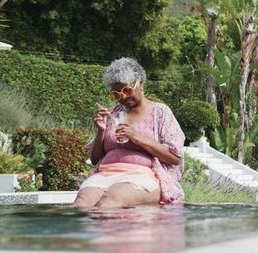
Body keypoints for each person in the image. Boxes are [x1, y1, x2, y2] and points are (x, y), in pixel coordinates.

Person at [73, 57, 185, 208]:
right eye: (116, 94)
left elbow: (175, 157)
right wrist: (101, 131)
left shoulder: (160, 112)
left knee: (109, 201)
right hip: (106, 174)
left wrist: (136, 137)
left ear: (140, 84)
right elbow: (94, 159)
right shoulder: (113, 114)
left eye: (126, 90)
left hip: (142, 175)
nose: (123, 97)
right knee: (81, 205)